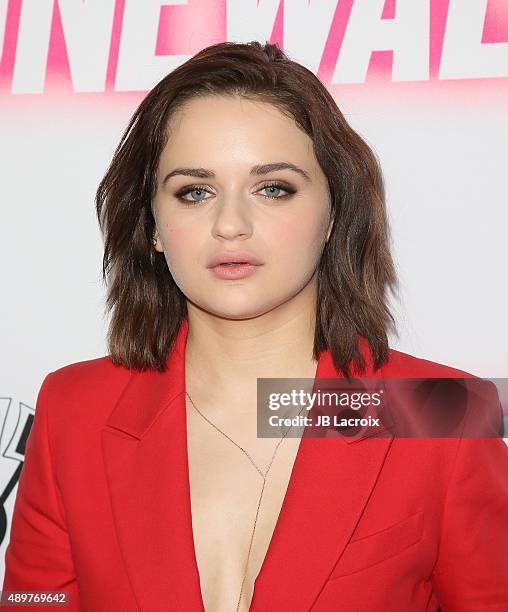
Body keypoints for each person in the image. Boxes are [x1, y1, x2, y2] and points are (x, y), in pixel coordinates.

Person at [1, 40, 507, 612]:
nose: (231, 224)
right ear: (153, 225)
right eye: (194, 191)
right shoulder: (76, 410)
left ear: (333, 214)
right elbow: (33, 601)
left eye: (273, 188)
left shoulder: (437, 412)